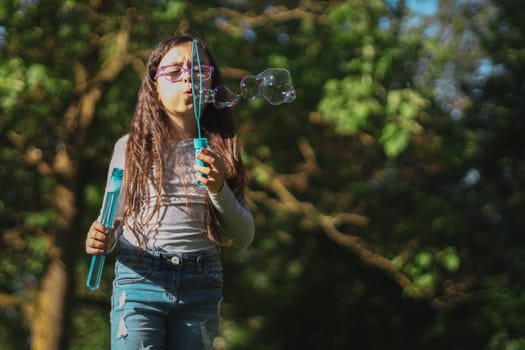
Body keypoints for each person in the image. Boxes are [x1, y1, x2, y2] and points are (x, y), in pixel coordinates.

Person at [85, 32, 255, 350]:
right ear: (154, 86)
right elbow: (111, 219)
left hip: (201, 282)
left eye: (198, 72)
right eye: (174, 71)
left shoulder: (221, 152)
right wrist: (101, 238)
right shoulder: (130, 146)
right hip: (139, 278)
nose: (187, 79)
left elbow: (244, 236)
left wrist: (218, 188)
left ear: (211, 86)